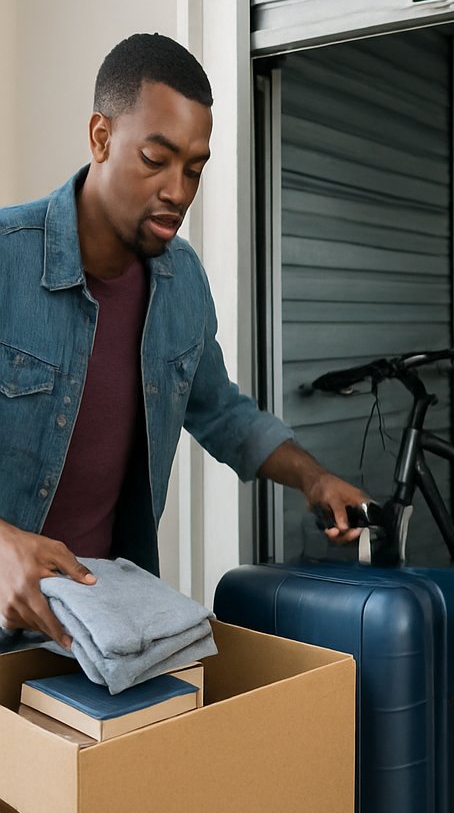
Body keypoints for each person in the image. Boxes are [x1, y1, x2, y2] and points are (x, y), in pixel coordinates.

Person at [0, 33, 368, 648]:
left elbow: (221, 409)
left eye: (194, 168)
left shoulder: (182, 281)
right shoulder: (6, 260)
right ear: (100, 138)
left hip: (98, 634)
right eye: (156, 159)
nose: (178, 190)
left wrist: (313, 478)